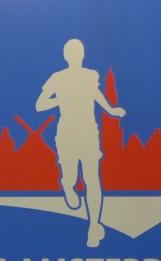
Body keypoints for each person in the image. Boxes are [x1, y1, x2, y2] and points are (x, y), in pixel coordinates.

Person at [35, 38, 126, 248]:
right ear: (66, 56)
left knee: (92, 179)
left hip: (88, 133)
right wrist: (60, 99)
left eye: (79, 52)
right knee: (70, 177)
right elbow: (39, 105)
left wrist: (111, 110)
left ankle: (94, 226)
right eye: (73, 53)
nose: (76, 56)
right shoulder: (57, 78)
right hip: (67, 134)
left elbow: (96, 94)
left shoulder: (91, 75)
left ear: (82, 55)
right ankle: (67, 186)